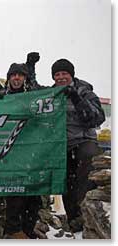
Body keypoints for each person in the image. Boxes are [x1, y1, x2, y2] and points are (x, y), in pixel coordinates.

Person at [51, 58, 105, 232]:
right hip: (61, 146)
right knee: (66, 184)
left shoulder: (84, 91)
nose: (60, 77)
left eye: (64, 73)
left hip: (83, 142)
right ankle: (74, 221)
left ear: (71, 75)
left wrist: (75, 98)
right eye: (57, 74)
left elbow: (97, 117)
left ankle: (87, 214)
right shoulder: (51, 93)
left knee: (85, 174)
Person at [2, 63, 42, 239]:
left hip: (31, 150)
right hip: (9, 152)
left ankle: (28, 229)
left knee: (34, 195)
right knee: (15, 191)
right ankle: (12, 229)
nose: (16, 78)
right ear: (9, 78)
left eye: (20, 75)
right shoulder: (0, 97)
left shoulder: (33, 97)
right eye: (13, 75)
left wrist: (31, 68)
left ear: (25, 78)